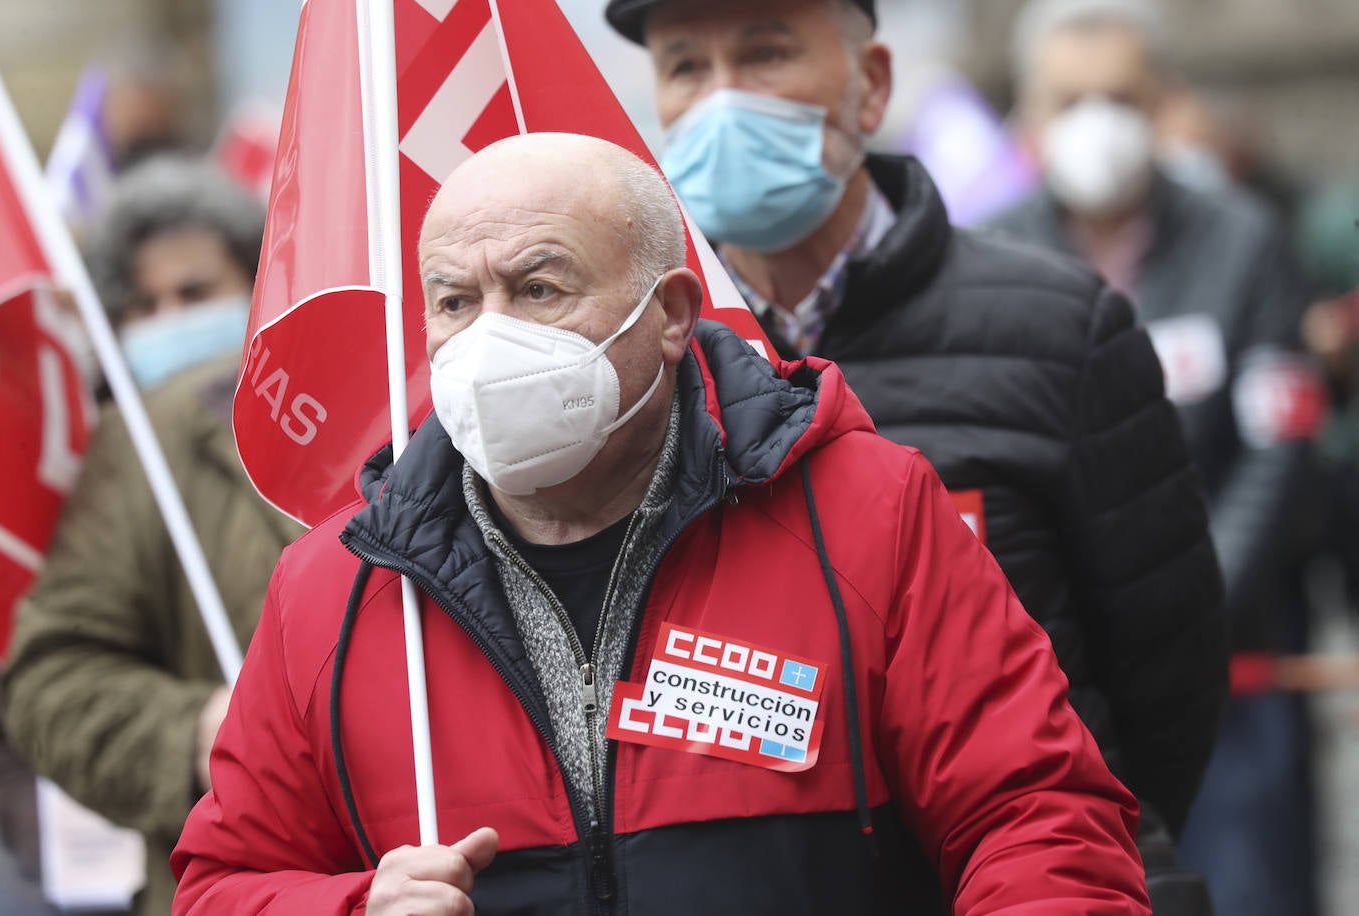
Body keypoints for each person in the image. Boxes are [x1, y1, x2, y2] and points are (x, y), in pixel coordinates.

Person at [171, 132, 1150, 915]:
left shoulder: (865, 514)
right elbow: (222, 883)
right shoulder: (333, 590)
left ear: (672, 313)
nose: (487, 337)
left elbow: (1037, 818)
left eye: (538, 288)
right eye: (455, 300)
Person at [605, 0, 1224, 907]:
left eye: (767, 53)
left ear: (872, 86)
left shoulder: (1057, 329)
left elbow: (1169, 669)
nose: (723, 103)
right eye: (687, 68)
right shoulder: (651, 360)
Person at [988, 2, 1325, 914]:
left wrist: (1192, 601)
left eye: (1120, 96)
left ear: (1163, 102)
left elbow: (1279, 435)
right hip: (1060, 665)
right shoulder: (991, 258)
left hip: (1238, 646)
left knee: (1256, 880)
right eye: (1071, 99)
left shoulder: (1241, 238)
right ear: (1028, 115)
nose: (1097, 121)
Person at [2, 156, 303, 916]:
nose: (172, 320)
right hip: (241, 882)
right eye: (142, 304)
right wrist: (199, 731)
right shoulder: (130, 449)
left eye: (196, 293)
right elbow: (53, 682)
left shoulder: (373, 401)